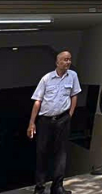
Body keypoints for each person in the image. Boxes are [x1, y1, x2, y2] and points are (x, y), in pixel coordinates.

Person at [28, 51, 82, 194]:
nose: (68, 62)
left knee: (61, 154)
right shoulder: (46, 78)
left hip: (63, 119)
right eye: (65, 60)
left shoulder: (73, 76)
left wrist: (70, 115)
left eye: (69, 59)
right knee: (42, 152)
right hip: (45, 121)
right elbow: (37, 101)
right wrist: (32, 122)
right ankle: (39, 187)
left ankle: (57, 187)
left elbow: (74, 95)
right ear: (57, 62)